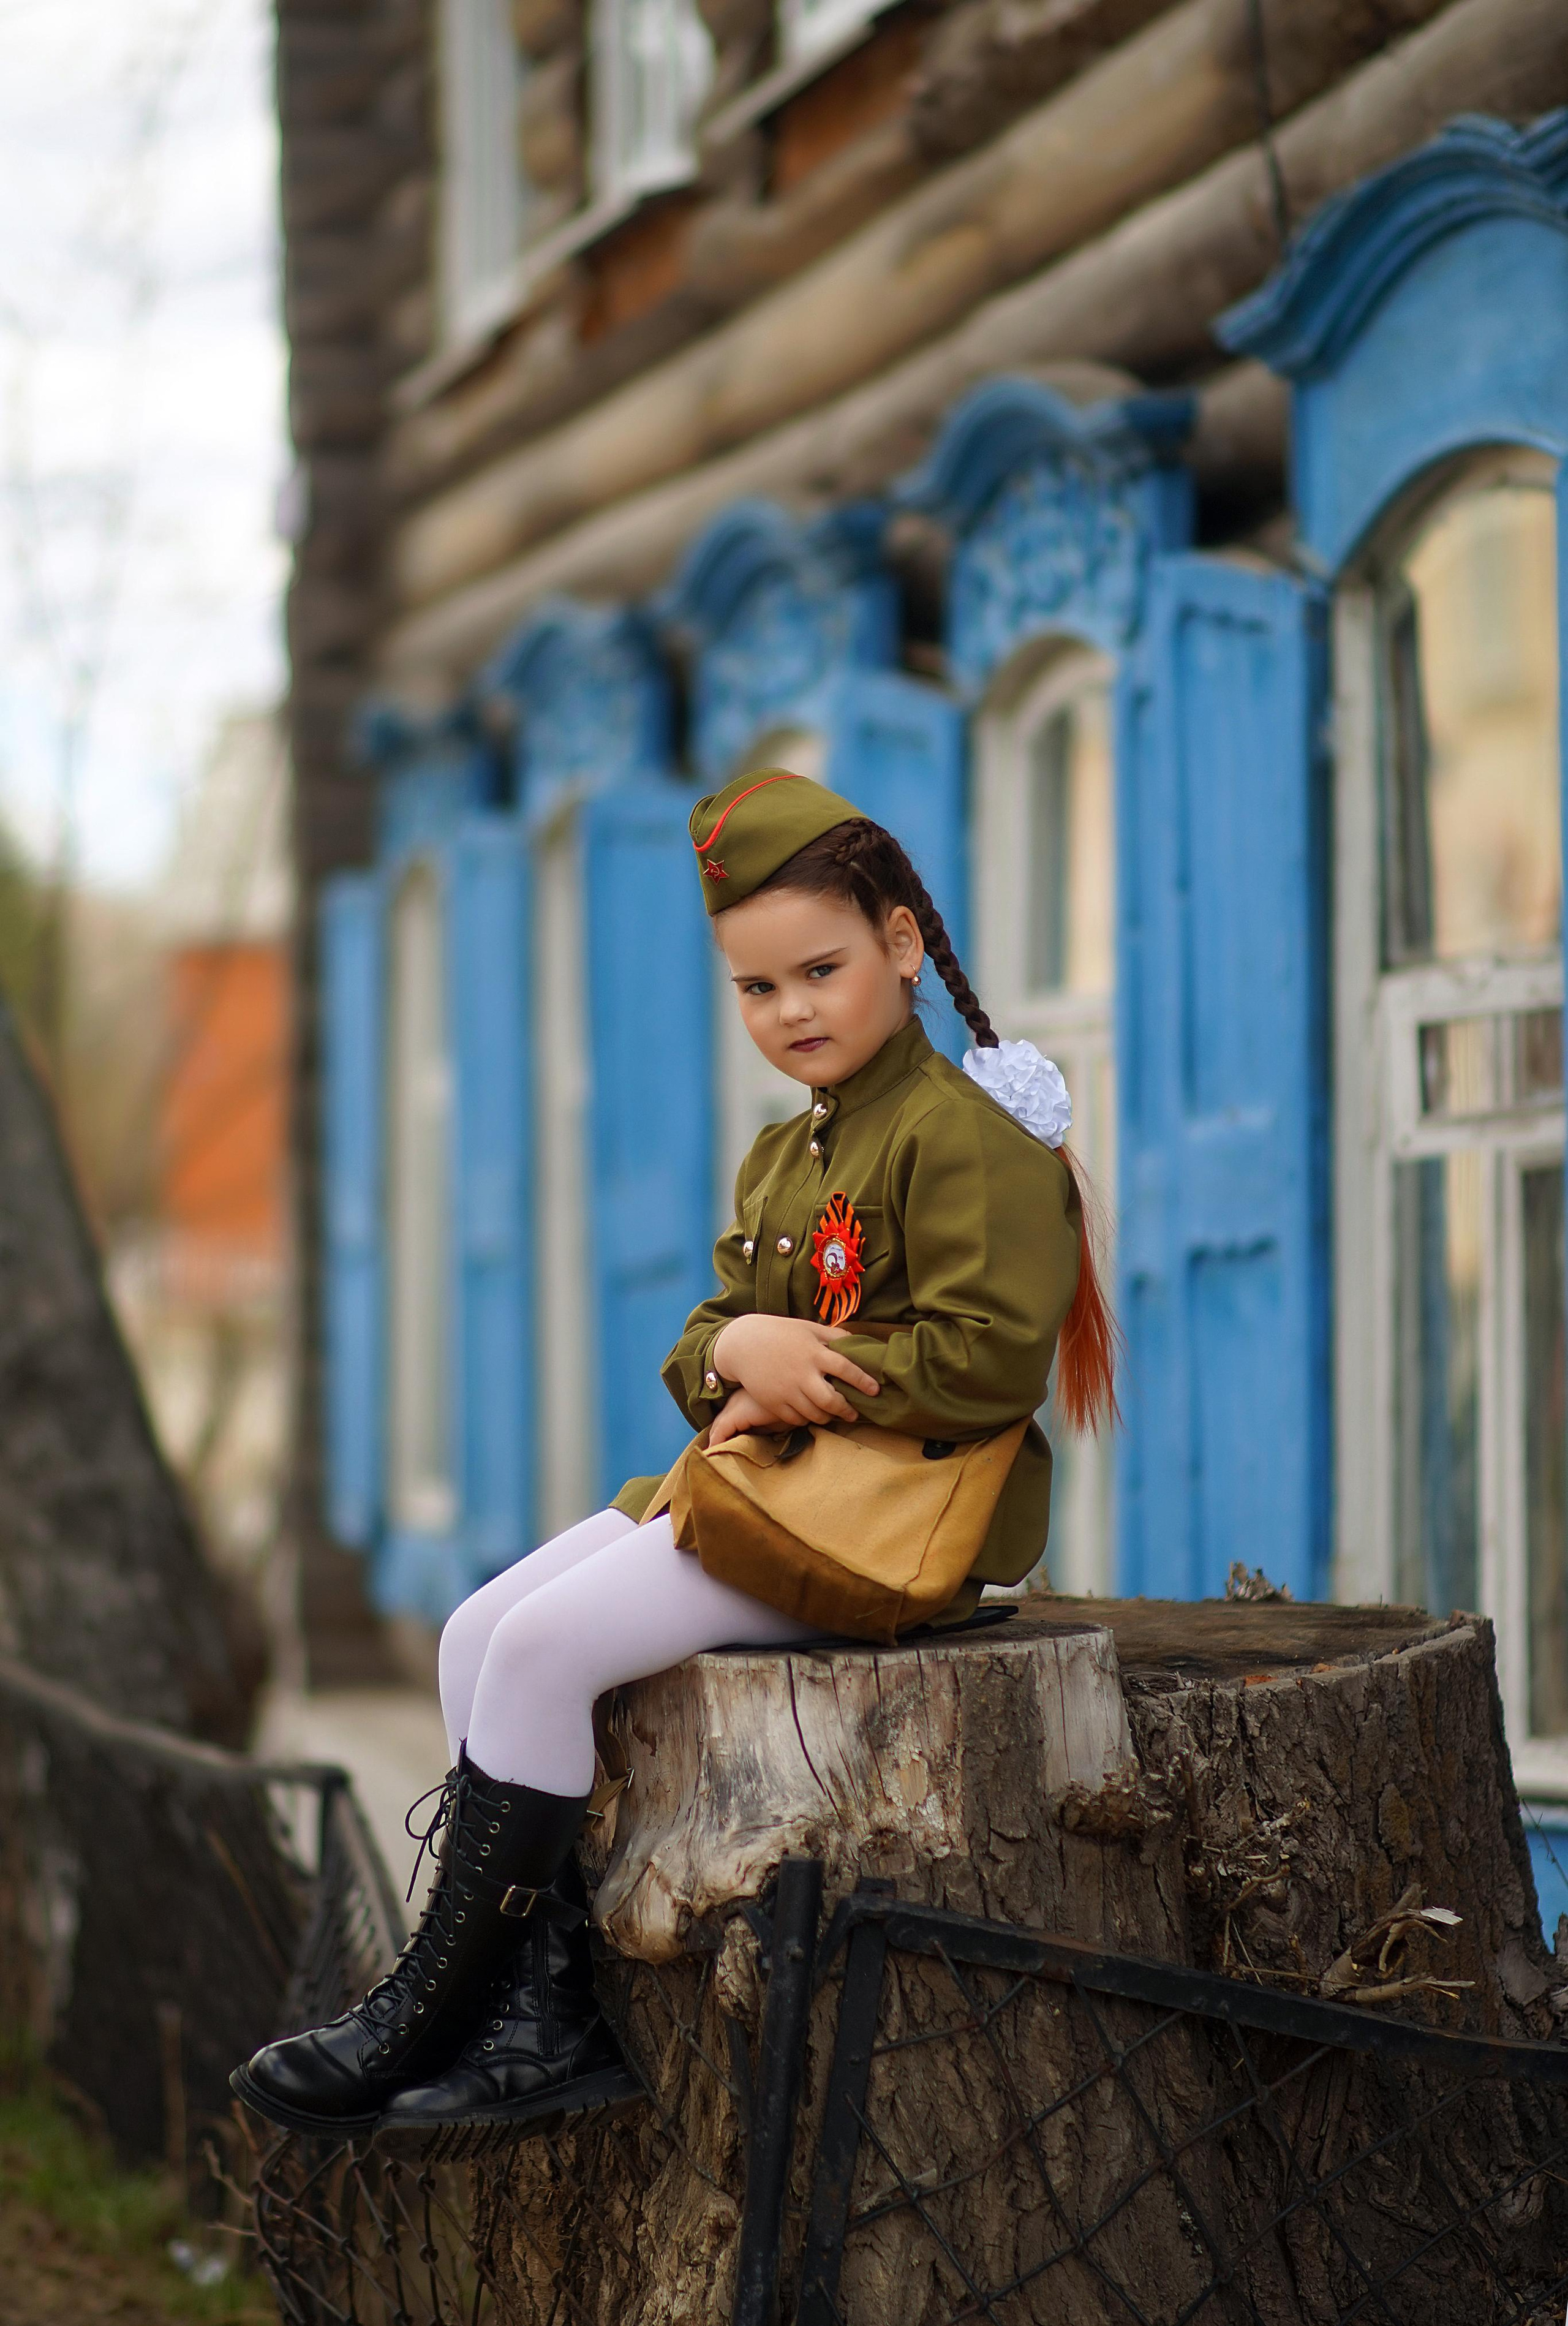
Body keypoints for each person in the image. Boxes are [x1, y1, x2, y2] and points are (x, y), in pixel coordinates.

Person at [232, 768, 1115, 2148]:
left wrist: (796, 1368)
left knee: (536, 1657)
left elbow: (991, 1362)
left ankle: (423, 2012)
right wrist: (733, 1353)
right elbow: (708, 1325)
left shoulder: (966, 1141)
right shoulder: (786, 1156)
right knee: (476, 1632)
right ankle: (532, 2020)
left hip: (891, 1523)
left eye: (819, 970)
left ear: (899, 942)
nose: (793, 1013)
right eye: (757, 991)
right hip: (776, 1489)